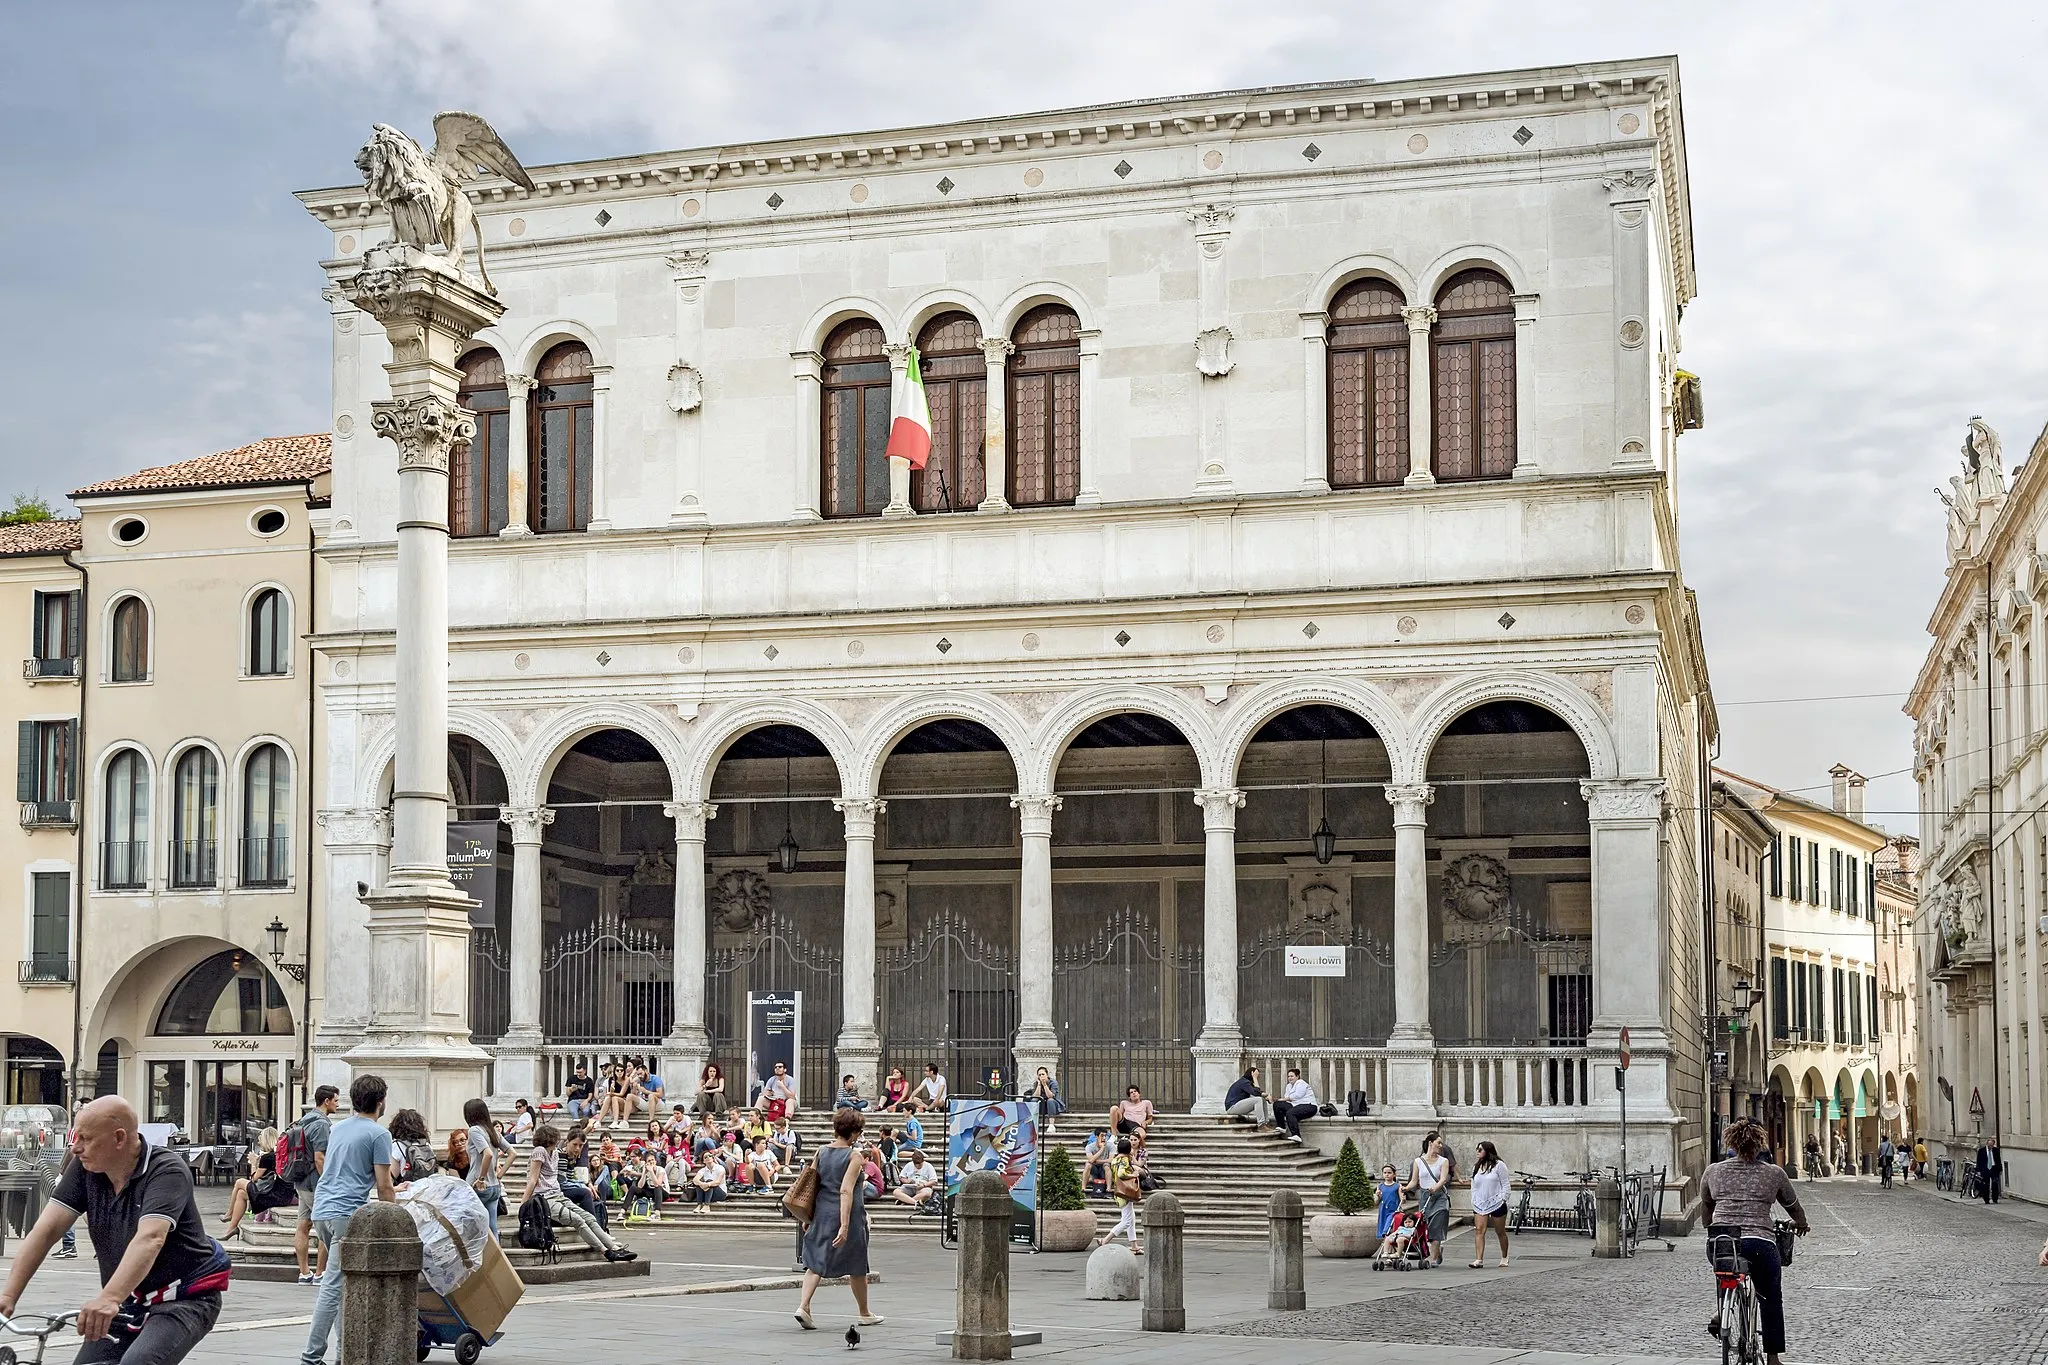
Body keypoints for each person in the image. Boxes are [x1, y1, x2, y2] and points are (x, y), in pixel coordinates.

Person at [0, 1096, 232, 1365]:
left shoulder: (167, 1171)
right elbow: (47, 1230)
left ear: (119, 1138)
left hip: (184, 1297)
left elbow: (151, 1238)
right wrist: (7, 1297)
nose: (75, 1148)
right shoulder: (86, 1169)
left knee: (139, 1361)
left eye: (85, 1139)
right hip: (128, 1297)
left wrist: (109, 1298)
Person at [301, 1074, 397, 1365]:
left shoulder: (339, 1128)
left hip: (322, 1210)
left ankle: (346, 1352)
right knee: (332, 1285)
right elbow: (383, 1186)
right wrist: (395, 1216)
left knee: (342, 1284)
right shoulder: (379, 1134)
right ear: (381, 1102)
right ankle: (311, 1357)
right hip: (346, 1214)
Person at [1701, 1117, 1810, 1365]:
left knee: (1726, 1266)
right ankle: (1772, 1358)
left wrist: (1711, 1226)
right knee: (1770, 1296)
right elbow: (1794, 1207)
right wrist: (1801, 1224)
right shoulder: (1774, 1174)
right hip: (1760, 1243)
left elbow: (1706, 1210)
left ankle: (1723, 1309)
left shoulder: (1714, 1171)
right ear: (1761, 1144)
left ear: (1732, 1143)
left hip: (1722, 1241)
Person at [794, 1108, 883, 1331]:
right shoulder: (854, 1156)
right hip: (848, 1215)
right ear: (853, 1133)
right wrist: (844, 1225)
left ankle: (804, 1306)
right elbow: (846, 1190)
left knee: (815, 1261)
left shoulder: (821, 1151)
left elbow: (811, 1184)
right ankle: (864, 1312)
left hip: (822, 1213)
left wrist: (808, 1215)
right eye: (859, 1132)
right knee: (857, 1263)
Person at [523, 1124, 636, 1261]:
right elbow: (533, 1179)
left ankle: (615, 1248)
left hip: (557, 1194)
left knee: (589, 1217)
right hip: (545, 1198)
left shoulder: (555, 1154)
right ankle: (605, 1251)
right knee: (578, 1220)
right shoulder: (540, 1151)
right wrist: (524, 1205)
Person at [287, 1084, 339, 1286]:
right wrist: (329, 1183)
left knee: (303, 1226)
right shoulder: (321, 1124)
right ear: (326, 1101)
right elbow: (320, 1157)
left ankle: (304, 1273)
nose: (337, 1104)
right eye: (335, 1100)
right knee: (325, 1226)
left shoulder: (304, 1120)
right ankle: (319, 1273)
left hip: (300, 1180)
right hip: (315, 1183)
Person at [221, 1127, 296, 1242]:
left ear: (266, 1140)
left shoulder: (267, 1157)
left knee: (239, 1182)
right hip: (283, 1194)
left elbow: (254, 1179)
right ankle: (232, 1227)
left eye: (260, 1138)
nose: (259, 1141)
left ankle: (229, 1214)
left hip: (275, 1195)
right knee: (241, 1194)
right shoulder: (277, 1155)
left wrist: (253, 1162)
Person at [460, 1099, 506, 1239]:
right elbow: (512, 1153)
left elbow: (488, 1154)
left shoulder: (474, 1130)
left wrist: (481, 1178)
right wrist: (500, 1175)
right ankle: (496, 1259)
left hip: (478, 1184)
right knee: (492, 1226)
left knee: (469, 1224)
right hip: (494, 1186)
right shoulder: (493, 1131)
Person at [1406, 1131, 1452, 1268]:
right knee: (1425, 1226)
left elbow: (1443, 1179)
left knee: (1435, 1228)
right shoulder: (1418, 1161)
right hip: (1425, 1197)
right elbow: (1414, 1181)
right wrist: (1405, 1188)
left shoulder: (1444, 1161)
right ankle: (1437, 1251)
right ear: (1430, 1143)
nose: (1441, 1145)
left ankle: (1433, 1258)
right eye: (1438, 1142)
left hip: (1440, 1197)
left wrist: (1436, 1187)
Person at [1468, 1140, 1511, 1268]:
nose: (1478, 1152)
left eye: (1480, 1150)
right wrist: (1474, 1198)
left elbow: (1505, 1184)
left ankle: (1504, 1256)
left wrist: (1503, 1198)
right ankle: (1479, 1259)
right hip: (1480, 1202)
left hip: (1496, 1201)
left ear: (1488, 1151)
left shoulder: (1499, 1165)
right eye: (1477, 1149)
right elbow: (1474, 1184)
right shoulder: (1477, 1166)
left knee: (1500, 1231)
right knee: (1479, 1230)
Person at [1097, 1137, 1142, 1255]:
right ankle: (1105, 1240)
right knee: (1127, 1221)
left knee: (1130, 1218)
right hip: (1125, 1192)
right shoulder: (1124, 1160)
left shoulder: (1115, 1160)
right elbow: (1122, 1173)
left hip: (1119, 1191)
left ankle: (1134, 1246)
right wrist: (1133, 1174)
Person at [387, 1110, 439, 1187]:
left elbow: (391, 1177)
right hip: (426, 1189)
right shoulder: (426, 1144)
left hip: (407, 1191)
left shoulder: (397, 1145)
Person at [1272, 1069, 1318, 1143]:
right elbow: (1287, 1098)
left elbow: (1297, 1096)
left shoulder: (1301, 1083)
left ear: (1297, 1076)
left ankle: (1296, 1135)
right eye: (1288, 1076)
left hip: (1309, 1106)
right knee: (1277, 1105)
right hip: (1295, 1105)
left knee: (1290, 1113)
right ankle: (1282, 1127)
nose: (1290, 1078)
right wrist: (1278, 1100)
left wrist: (1281, 1099)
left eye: (1292, 1076)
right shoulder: (1288, 1086)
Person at [1027, 1067, 1067, 1136]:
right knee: (1033, 1100)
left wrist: (1045, 1085)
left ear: (1047, 1075)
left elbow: (1050, 1096)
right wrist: (1039, 1084)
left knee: (1050, 1101)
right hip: (1043, 1107)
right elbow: (1035, 1097)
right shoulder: (1036, 1083)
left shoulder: (1053, 1083)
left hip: (1053, 1106)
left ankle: (1051, 1125)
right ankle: (1032, 1123)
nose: (1041, 1076)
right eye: (1039, 1075)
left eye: (1043, 1074)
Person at [1375, 1164, 1402, 1243]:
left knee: (1388, 1227)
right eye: (1385, 1172)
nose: (1387, 1174)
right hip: (1383, 1210)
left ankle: (1385, 1235)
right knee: (1383, 1225)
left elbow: (1402, 1200)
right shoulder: (1380, 1186)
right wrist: (1378, 1195)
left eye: (1389, 1173)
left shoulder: (1397, 1186)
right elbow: (1377, 1202)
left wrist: (1403, 1199)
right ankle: (1387, 1245)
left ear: (1394, 1174)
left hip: (1393, 1210)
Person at [1082, 1128, 1113, 1197]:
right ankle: (1083, 1188)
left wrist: (1097, 1161)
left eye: (1105, 1136)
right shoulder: (1089, 1147)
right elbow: (1090, 1160)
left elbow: (1110, 1160)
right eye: (1102, 1136)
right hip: (1095, 1169)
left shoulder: (1111, 1145)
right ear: (1096, 1137)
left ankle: (1108, 1189)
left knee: (1107, 1165)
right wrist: (1101, 1150)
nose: (1104, 1138)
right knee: (1088, 1165)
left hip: (1104, 1169)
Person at [1977, 1137, 2002, 1204]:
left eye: (1991, 1145)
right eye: (1989, 1145)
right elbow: (1979, 1161)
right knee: (1986, 1185)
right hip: (1985, 1169)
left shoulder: (1996, 1150)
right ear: (1987, 1144)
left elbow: (1998, 1160)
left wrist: (2000, 1169)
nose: (1990, 1147)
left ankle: (1995, 1198)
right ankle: (1986, 1199)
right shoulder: (1981, 1151)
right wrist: (1979, 1170)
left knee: (1995, 1184)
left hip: (1993, 1168)